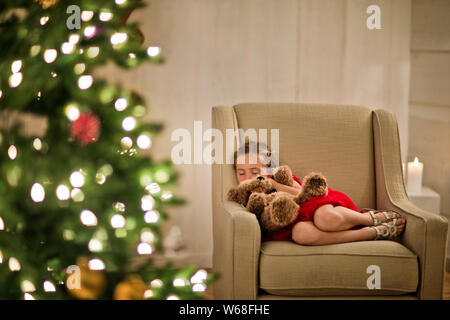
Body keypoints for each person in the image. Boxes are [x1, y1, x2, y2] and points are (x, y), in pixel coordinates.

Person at [233, 141, 406, 245]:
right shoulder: (246, 198)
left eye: (255, 172)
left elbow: (303, 194)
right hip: (291, 225)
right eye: (241, 173)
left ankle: (369, 218)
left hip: (317, 206)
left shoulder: (280, 179)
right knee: (301, 234)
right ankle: (371, 233)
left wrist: (274, 184)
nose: (248, 177)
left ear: (269, 169)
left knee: (326, 219)